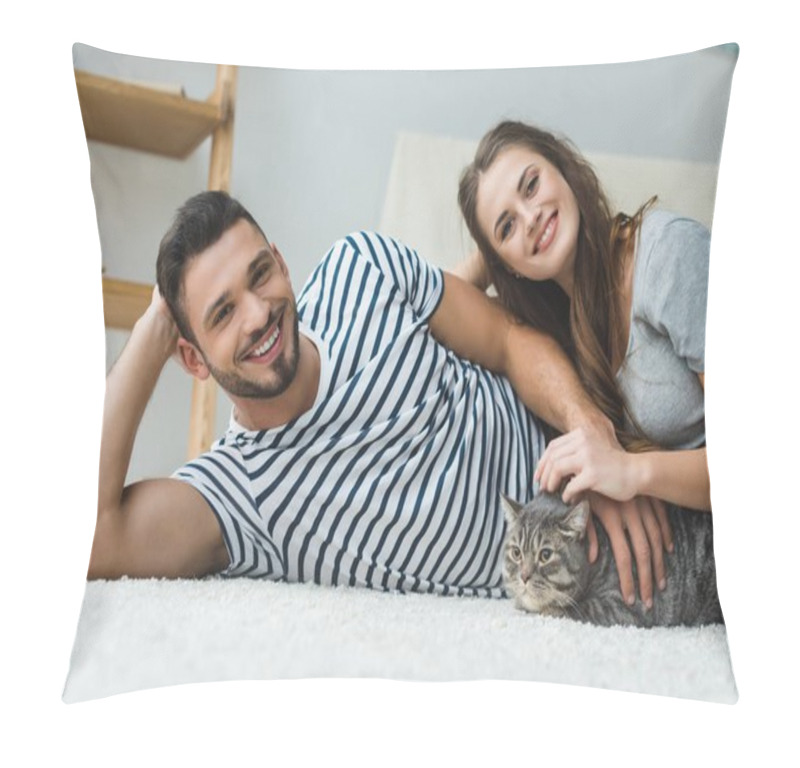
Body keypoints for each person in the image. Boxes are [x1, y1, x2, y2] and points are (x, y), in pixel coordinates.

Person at [89, 190, 670, 605]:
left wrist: (591, 440)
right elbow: (90, 538)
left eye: (260, 274)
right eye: (222, 313)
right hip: (554, 577)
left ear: (282, 264)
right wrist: (154, 328)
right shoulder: (241, 498)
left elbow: (507, 339)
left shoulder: (360, 268)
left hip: (600, 446)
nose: (258, 312)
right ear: (192, 358)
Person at [456, 120, 712, 534]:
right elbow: (430, 303)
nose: (531, 217)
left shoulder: (667, 257)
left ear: (562, 167)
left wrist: (629, 473)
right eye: (507, 225)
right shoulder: (559, 335)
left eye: (531, 185)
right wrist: (496, 259)